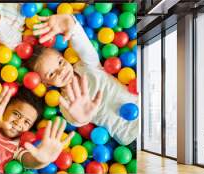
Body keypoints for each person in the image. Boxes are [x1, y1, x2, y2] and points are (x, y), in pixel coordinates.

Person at [28, 14, 138, 145]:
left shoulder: (87, 65)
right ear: (46, 84)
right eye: (51, 74)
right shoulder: (65, 102)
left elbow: (84, 46)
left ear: (65, 58)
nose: (61, 71)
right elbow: (76, 119)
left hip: (142, 107)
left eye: (61, 62)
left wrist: (71, 24)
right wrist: (81, 119)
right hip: (129, 135)